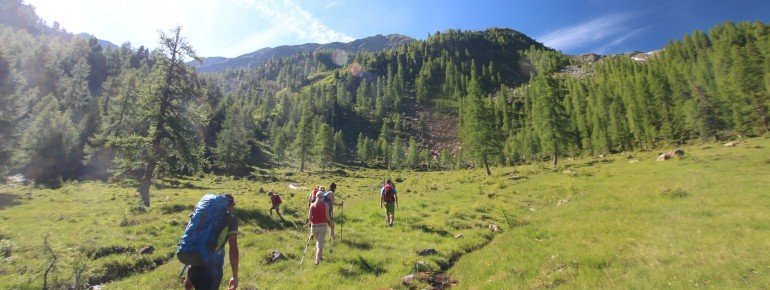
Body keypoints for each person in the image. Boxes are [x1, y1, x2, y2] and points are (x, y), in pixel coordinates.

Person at [184, 194, 239, 290]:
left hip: (194, 259)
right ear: (230, 205)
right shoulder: (231, 220)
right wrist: (235, 276)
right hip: (212, 267)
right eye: (233, 206)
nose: (233, 208)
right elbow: (233, 249)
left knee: (189, 284)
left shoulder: (203, 214)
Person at [308, 193, 334, 265]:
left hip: (314, 227)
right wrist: (330, 223)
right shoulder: (325, 205)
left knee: (319, 242)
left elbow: (310, 218)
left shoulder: (312, 205)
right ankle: (317, 260)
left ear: (316, 197)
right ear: (322, 198)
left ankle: (320, 256)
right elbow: (327, 217)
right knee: (320, 244)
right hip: (322, 227)